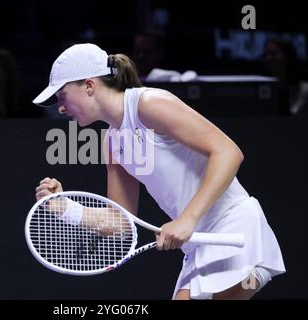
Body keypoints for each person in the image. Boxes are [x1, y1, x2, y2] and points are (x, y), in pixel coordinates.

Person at [33, 43, 285, 300]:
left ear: (88, 86)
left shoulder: (149, 103)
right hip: (198, 245)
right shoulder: (112, 142)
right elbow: (120, 222)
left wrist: (187, 219)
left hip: (235, 227)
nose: (61, 108)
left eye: (62, 95)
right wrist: (65, 208)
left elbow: (228, 153)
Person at [262, 37, 308, 115]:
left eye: (274, 54)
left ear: (288, 56)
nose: (268, 58)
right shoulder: (262, 88)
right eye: (266, 55)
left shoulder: (305, 91)